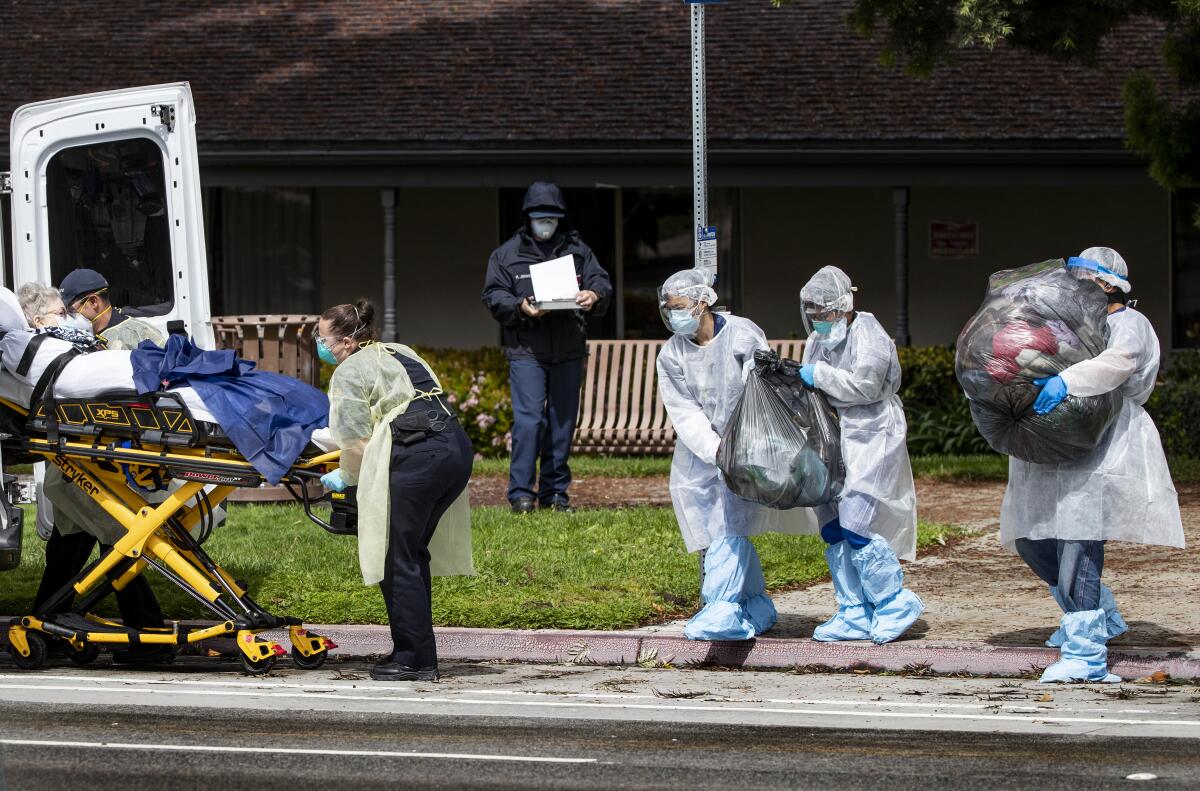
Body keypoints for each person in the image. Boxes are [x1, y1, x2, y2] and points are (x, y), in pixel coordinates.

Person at [1010, 247, 1184, 683]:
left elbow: (1118, 363)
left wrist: (1067, 379)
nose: (1074, 287)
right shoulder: (1068, 324)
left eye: (1085, 278)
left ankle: (1086, 653)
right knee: (1031, 537)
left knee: (1079, 539)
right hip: (1055, 440)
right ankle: (1098, 614)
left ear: (1108, 284)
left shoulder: (1130, 323)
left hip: (1104, 440)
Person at [318, 299, 474, 681]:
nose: (319, 345)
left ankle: (413, 659)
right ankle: (417, 651)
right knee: (410, 552)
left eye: (322, 338)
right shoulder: (401, 351)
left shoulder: (349, 371)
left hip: (419, 455)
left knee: (395, 558)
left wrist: (346, 477)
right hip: (454, 447)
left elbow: (354, 440)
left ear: (348, 342)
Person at [655, 269, 815, 641]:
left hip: (749, 443)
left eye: (680, 307)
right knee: (716, 529)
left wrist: (739, 446)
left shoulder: (742, 334)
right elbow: (684, 411)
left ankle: (722, 609)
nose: (675, 315)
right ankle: (755, 603)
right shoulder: (671, 354)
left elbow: (757, 387)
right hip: (701, 455)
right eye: (669, 309)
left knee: (730, 525)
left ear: (702, 301)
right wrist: (715, 450)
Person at [19, 282, 170, 664]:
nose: (68, 319)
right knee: (117, 537)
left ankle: (47, 624)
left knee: (67, 550)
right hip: (77, 468)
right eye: (60, 312)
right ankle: (147, 633)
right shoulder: (38, 347)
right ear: (37, 320)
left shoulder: (75, 342)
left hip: (82, 464)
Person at [796, 266, 923, 644]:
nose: (818, 320)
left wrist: (818, 376)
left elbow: (866, 387)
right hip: (832, 434)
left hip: (872, 432)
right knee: (832, 522)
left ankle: (892, 602)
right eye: (812, 313)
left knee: (856, 520)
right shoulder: (816, 340)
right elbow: (811, 379)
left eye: (824, 312)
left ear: (844, 306)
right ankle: (853, 610)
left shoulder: (869, 332)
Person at [481, 181, 613, 514]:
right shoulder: (506, 255)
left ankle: (555, 493)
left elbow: (601, 282)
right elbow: (493, 296)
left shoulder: (577, 250)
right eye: (541, 218)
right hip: (527, 349)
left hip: (568, 347)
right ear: (528, 218)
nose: (546, 224)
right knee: (528, 422)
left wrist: (593, 296)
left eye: (552, 218)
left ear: (560, 218)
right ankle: (522, 493)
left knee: (562, 421)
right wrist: (520, 307)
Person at [59, 267, 165, 350]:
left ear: (93, 302)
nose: (68, 317)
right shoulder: (77, 340)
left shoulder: (141, 335)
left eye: (72, 311)